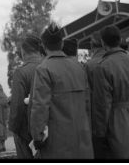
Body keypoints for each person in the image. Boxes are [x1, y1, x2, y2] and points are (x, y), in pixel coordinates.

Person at [29, 23, 92, 159]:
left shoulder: (43, 69)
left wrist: (37, 137)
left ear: (44, 47)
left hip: (58, 143)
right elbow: (87, 103)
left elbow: (40, 106)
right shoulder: (79, 67)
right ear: (62, 44)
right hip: (83, 138)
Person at [90, 25, 129, 159]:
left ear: (102, 42)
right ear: (119, 40)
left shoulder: (103, 67)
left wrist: (99, 135)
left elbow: (102, 105)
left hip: (118, 121)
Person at [8, 35, 43, 159]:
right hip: (48, 128)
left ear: (23, 51)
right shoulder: (48, 66)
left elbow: (17, 104)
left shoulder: (21, 72)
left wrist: (14, 127)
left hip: (26, 129)